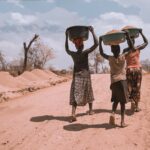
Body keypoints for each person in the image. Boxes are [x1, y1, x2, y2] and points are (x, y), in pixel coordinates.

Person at [99, 31, 134, 127]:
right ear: (119, 49)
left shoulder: (110, 58)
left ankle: (113, 113)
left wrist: (100, 41)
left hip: (114, 82)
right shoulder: (123, 56)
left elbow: (101, 52)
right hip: (122, 81)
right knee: (122, 102)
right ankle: (122, 122)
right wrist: (127, 36)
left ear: (112, 51)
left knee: (116, 100)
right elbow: (131, 48)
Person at [65, 26, 98, 122]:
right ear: (82, 45)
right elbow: (96, 44)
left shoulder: (73, 54)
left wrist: (66, 37)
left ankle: (73, 113)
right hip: (86, 76)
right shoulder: (85, 52)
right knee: (88, 92)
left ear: (75, 45)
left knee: (75, 95)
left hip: (77, 77)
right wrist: (92, 32)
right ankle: (91, 110)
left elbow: (66, 49)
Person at [123, 29, 148, 112]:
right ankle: (136, 106)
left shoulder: (125, 50)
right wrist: (141, 32)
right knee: (137, 88)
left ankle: (133, 103)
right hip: (137, 69)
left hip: (129, 69)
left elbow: (146, 42)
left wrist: (127, 35)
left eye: (129, 40)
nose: (128, 41)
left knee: (130, 87)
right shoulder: (137, 48)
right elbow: (146, 42)